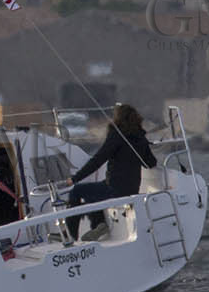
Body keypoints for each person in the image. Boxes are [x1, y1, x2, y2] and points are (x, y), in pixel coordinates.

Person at [65, 102, 156, 240]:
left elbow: (98, 160)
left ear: (118, 118)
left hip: (114, 189)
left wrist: (75, 178)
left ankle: (71, 236)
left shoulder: (117, 135)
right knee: (94, 191)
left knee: (77, 191)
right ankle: (99, 224)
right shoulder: (140, 137)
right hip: (131, 188)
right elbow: (151, 163)